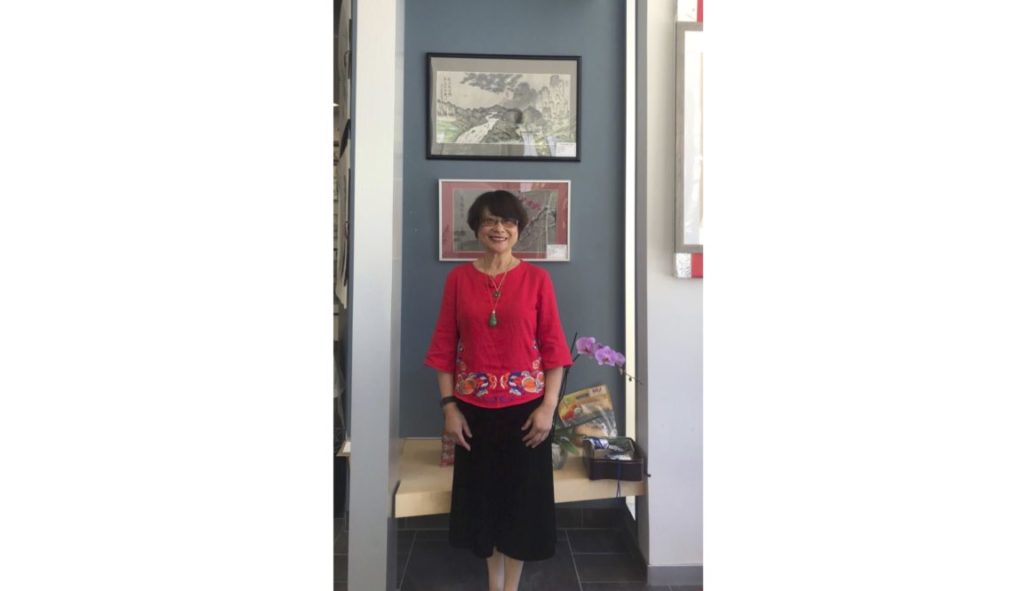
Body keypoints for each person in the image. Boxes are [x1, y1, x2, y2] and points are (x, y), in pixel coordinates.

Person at [424, 190, 572, 591]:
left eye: (507, 221)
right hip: (473, 413)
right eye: (489, 220)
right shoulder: (458, 280)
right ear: (476, 228)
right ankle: (494, 585)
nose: (499, 228)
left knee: (519, 508)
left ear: (519, 229)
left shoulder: (537, 280)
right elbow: (443, 350)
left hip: (527, 414)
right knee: (484, 506)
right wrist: (449, 407)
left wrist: (548, 408)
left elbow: (555, 350)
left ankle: (512, 587)